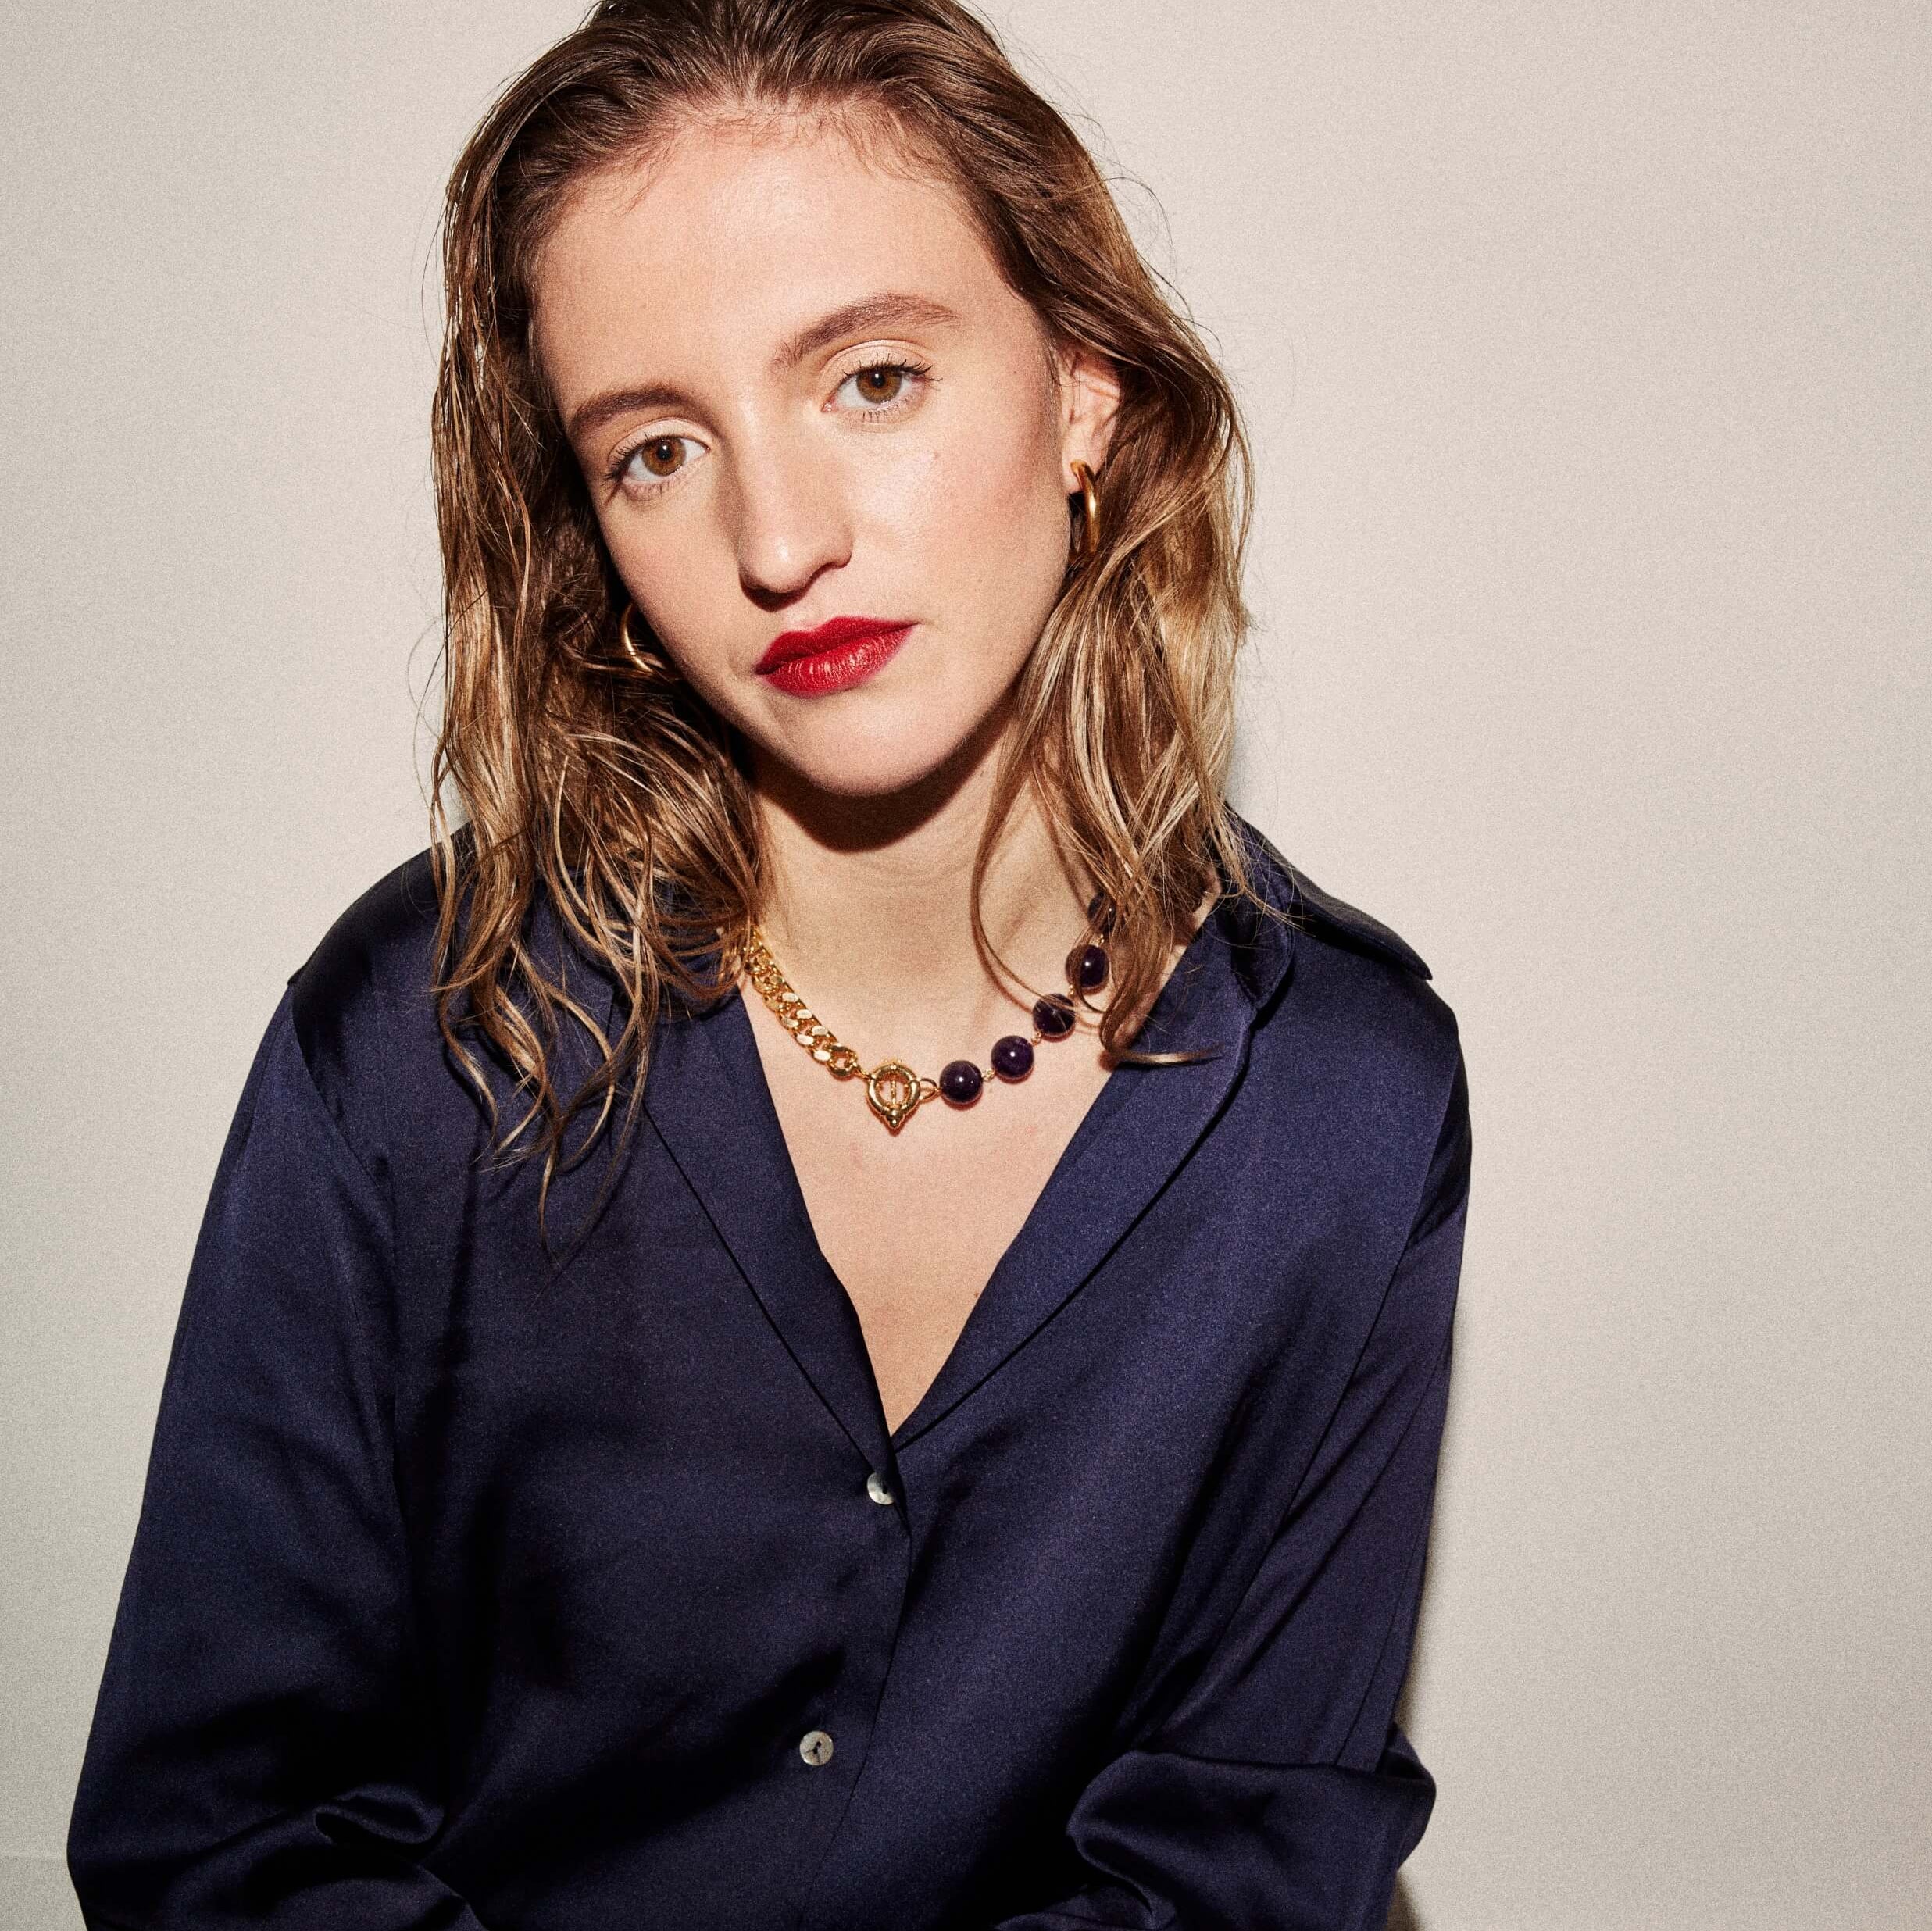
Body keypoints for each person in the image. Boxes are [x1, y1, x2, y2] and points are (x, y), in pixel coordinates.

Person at [67, 2, 1472, 1926]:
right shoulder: (425, 1042)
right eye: (657, 448)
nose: (779, 537)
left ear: (1082, 390)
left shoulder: (1341, 1105)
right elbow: (225, 1842)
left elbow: (1237, 1862)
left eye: (871, 379)